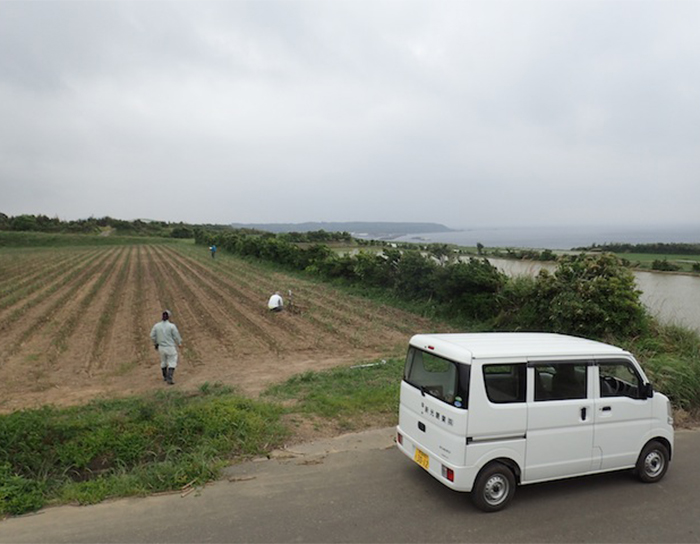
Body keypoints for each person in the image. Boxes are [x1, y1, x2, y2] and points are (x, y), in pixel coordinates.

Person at [150, 310, 182, 385]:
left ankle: (165, 376)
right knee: (172, 362)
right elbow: (176, 336)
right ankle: (169, 378)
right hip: (170, 347)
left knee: (163, 361)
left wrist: (156, 343)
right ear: (169, 317)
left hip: (161, 347)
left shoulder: (156, 326)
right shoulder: (172, 326)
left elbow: (152, 335)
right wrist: (179, 343)